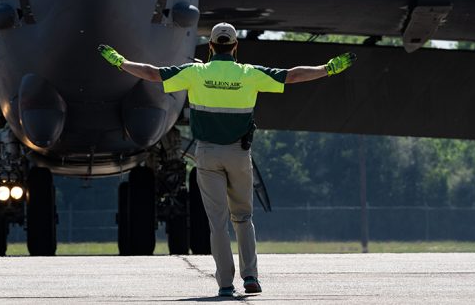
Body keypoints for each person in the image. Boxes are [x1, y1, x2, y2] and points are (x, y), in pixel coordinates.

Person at [98, 23, 356, 297]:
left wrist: (121, 62)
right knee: (243, 218)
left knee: (217, 223)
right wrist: (328, 68)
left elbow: (152, 73)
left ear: (210, 46)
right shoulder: (249, 74)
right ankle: (251, 277)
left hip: (208, 155)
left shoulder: (194, 73)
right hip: (239, 155)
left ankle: (224, 283)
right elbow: (292, 76)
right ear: (235, 47)